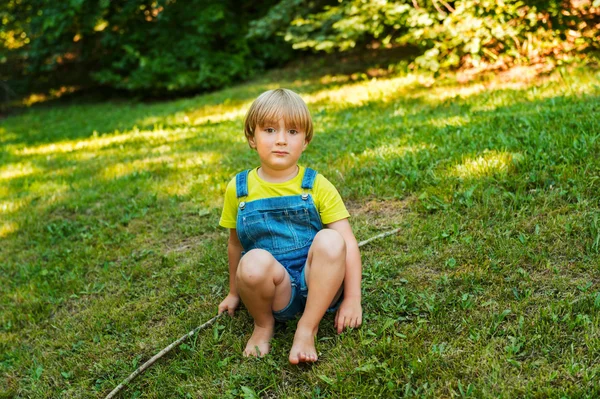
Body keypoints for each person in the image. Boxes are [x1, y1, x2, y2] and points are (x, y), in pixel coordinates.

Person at [217, 88, 362, 364]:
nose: (281, 140)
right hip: (276, 292)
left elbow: (348, 243)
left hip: (319, 281)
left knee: (332, 240)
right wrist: (234, 292)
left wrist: (353, 297)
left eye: (293, 132)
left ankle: (307, 328)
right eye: (270, 130)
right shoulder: (239, 189)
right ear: (252, 137)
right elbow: (235, 244)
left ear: (305, 141)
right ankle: (263, 325)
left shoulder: (317, 185)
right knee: (251, 262)